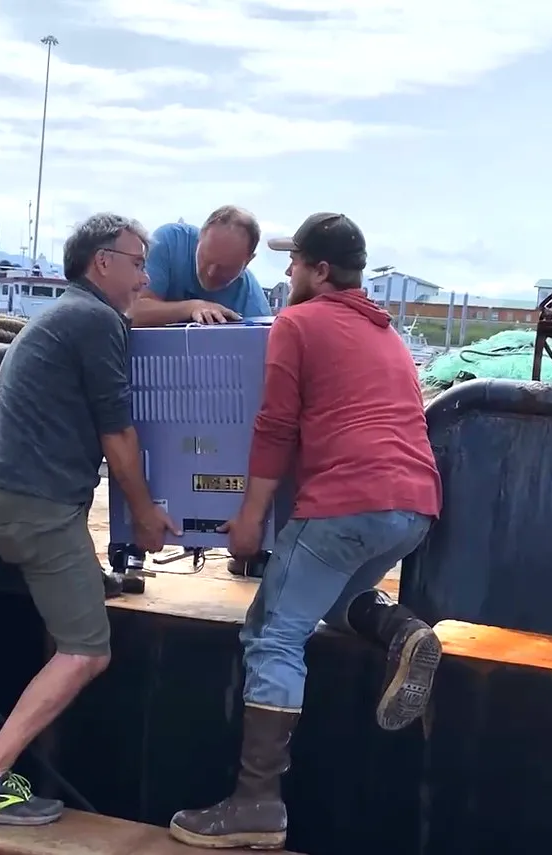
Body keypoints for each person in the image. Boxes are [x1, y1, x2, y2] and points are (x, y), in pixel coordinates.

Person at [168, 213, 443, 850]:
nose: (286, 271)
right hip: (414, 508)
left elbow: (274, 428)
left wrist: (248, 518)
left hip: (346, 503)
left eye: (296, 263)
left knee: (272, 634)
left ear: (320, 272)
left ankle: (256, 805)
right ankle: (404, 631)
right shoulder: (388, 334)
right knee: (331, 603)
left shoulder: (298, 321)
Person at [0, 212, 179, 826]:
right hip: (34, 505)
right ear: (101, 262)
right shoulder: (95, 321)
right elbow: (118, 433)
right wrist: (145, 512)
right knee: (86, 650)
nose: (144, 275)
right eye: (137, 262)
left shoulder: (66, 313)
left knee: (73, 604)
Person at [129, 205, 274, 327]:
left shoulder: (255, 307)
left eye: (224, 268)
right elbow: (131, 313)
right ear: (198, 238)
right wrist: (192, 307)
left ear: (247, 262)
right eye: (205, 259)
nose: (211, 273)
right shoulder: (169, 243)